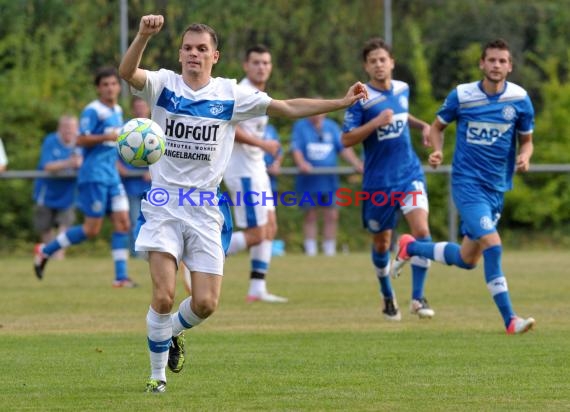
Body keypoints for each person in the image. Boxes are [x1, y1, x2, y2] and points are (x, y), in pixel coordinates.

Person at [118, 14, 367, 393]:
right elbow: (127, 71)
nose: (193, 55)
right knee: (164, 294)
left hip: (206, 210)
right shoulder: (163, 85)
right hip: (164, 204)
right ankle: (157, 378)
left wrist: (341, 102)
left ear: (215, 56)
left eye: (202, 49)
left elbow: (287, 107)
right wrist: (142, 36)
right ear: (180, 53)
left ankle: (167, 334)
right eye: (188, 48)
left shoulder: (229, 94)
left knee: (205, 304)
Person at [391, 39, 536, 335]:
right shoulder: (463, 95)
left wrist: (525, 156)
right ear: (482, 64)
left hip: (497, 188)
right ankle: (510, 320)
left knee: (469, 259)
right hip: (468, 184)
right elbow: (436, 126)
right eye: (491, 60)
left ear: (510, 66)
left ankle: (411, 246)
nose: (496, 65)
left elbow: (527, 140)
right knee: (493, 247)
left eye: (502, 61)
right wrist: (438, 151)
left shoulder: (520, 99)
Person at [341, 38, 434, 321]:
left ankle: (418, 298)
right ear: (366, 67)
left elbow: (402, 115)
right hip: (378, 182)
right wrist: (375, 123)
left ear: (392, 62)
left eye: (383, 59)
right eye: (373, 61)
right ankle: (387, 294)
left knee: (422, 232)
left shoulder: (403, 88)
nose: (379, 65)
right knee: (382, 244)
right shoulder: (361, 97)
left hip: (409, 174)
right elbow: (346, 139)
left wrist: (423, 125)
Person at [34, 67, 136, 288]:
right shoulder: (93, 110)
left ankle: (120, 277)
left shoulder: (117, 110)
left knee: (123, 223)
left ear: (119, 87)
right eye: (105, 84)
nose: (110, 88)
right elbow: (80, 140)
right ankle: (45, 251)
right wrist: (105, 137)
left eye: (113, 83)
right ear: (99, 88)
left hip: (112, 176)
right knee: (92, 229)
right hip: (94, 176)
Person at [223, 45, 287, 303]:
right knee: (257, 233)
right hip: (243, 173)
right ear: (246, 65)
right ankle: (202, 252)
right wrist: (263, 145)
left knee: (270, 227)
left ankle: (257, 289)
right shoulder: (242, 92)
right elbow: (228, 127)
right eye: (256, 62)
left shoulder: (260, 92)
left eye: (266, 62)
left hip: (257, 169)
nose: (262, 67)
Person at [291, 113, 363, 257]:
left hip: (329, 181)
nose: (317, 116)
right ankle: (310, 251)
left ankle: (329, 250)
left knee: (332, 215)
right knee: (310, 215)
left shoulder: (331, 126)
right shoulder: (300, 126)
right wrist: (301, 163)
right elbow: (296, 148)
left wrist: (356, 163)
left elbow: (343, 148)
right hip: (309, 181)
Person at [33, 115, 82, 260]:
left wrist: (81, 163)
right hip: (46, 192)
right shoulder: (50, 141)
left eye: (72, 128)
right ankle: (49, 255)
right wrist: (69, 163)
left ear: (77, 129)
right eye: (65, 127)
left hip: (68, 193)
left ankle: (59, 258)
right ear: (59, 128)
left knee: (64, 226)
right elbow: (47, 166)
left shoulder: (80, 143)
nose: (69, 131)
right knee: (45, 228)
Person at [117, 96, 152, 257]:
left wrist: (153, 171)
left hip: (151, 187)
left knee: (151, 221)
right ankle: (136, 255)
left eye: (142, 106)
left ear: (148, 108)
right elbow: (111, 154)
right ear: (133, 109)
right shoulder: (125, 129)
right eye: (137, 107)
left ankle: (149, 253)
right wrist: (120, 168)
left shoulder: (156, 128)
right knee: (133, 220)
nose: (140, 110)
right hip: (130, 186)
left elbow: (165, 155)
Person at [263, 123, 283, 193]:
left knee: (270, 202)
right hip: (252, 176)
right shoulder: (247, 128)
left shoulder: (270, 129)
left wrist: (276, 164)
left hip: (270, 180)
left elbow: (279, 151)